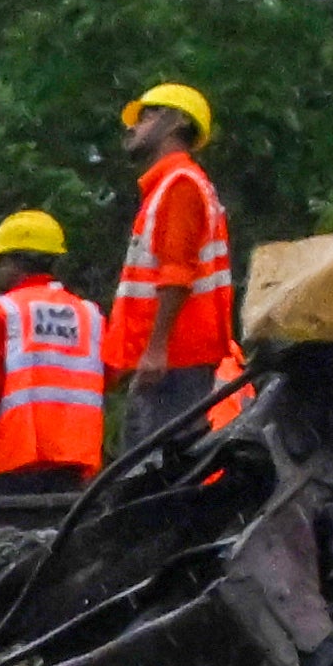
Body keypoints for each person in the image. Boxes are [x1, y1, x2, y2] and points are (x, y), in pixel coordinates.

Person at [105, 83, 235, 450]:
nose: (134, 126)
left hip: (176, 359)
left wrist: (156, 348)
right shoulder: (173, 185)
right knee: (150, 471)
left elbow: (177, 273)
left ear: (176, 122)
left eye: (147, 115)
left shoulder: (180, 184)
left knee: (153, 475)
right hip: (175, 358)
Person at [0, 215, 108, 496]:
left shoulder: (1, 310)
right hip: (71, 461)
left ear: (14, 262)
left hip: (10, 458)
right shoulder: (89, 314)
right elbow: (106, 375)